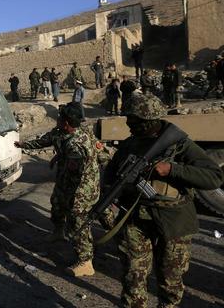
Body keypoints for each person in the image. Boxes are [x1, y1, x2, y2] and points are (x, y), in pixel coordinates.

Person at [103, 94, 223, 307]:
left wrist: (172, 169)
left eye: (134, 122)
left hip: (173, 221)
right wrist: (110, 191)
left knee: (170, 278)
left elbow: (214, 176)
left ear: (150, 121)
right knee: (133, 273)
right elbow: (112, 172)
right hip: (135, 216)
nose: (129, 125)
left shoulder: (180, 145)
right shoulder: (131, 142)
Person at [15, 103, 102, 277]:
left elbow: (80, 170)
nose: (57, 118)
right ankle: (58, 232)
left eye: (60, 117)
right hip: (67, 180)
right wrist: (22, 144)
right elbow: (44, 141)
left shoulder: (78, 142)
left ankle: (85, 261)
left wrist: (74, 197)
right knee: (57, 202)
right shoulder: (61, 133)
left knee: (78, 221)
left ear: (66, 123)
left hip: (82, 187)